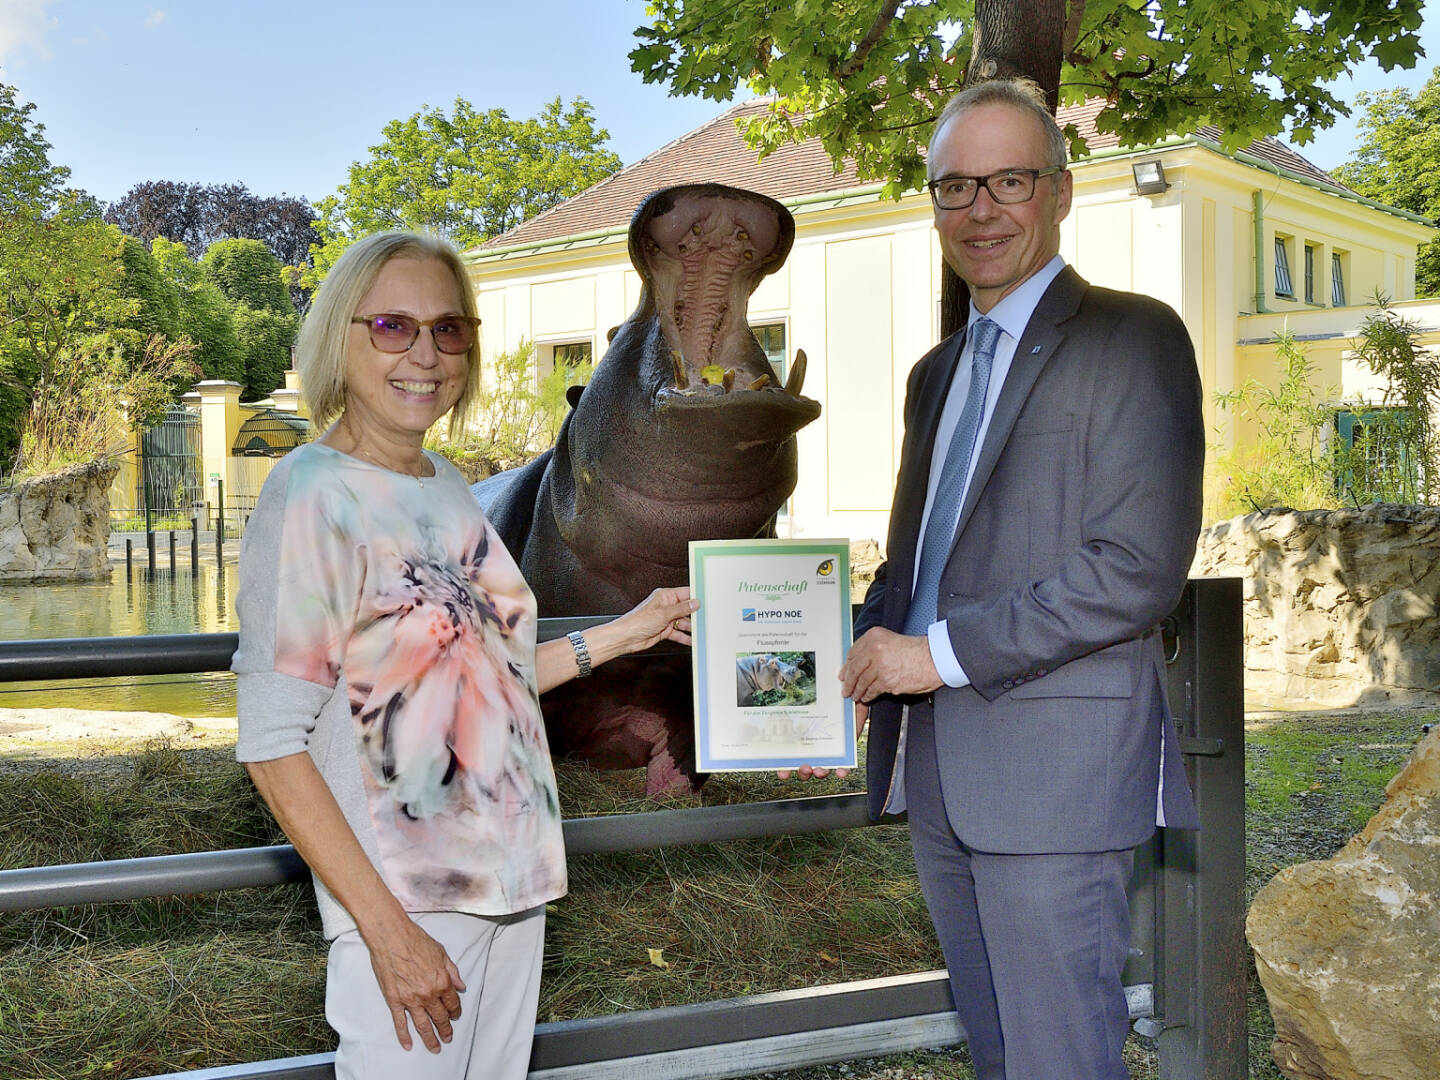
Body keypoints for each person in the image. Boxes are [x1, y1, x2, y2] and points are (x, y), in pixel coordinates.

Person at [231, 230, 697, 1080]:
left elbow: (490, 676)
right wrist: (386, 930)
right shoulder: (310, 494)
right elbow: (271, 742)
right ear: (341, 336)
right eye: (392, 327)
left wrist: (628, 631)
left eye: (449, 330)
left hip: (514, 880)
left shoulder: (442, 481)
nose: (426, 354)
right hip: (413, 904)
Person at [836, 79, 1204, 1080]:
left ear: (1061, 191)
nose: (981, 211)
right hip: (941, 771)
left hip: (1057, 777)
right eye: (956, 187)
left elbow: (1136, 568)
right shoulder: (936, 372)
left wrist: (932, 655)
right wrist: (813, 674)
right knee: (999, 1053)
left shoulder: (1134, 338)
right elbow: (916, 569)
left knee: (1058, 1057)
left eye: (1008, 180)